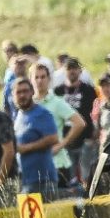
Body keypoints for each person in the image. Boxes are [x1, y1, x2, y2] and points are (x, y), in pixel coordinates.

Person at [30, 62, 85, 190]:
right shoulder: (29, 105)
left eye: (43, 77)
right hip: (35, 164)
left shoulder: (56, 102)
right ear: (31, 80)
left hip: (56, 163)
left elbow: (79, 123)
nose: (39, 80)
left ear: (49, 79)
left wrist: (62, 144)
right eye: (36, 77)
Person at [12, 77, 59, 200]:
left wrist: (27, 148)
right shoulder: (18, 116)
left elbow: (53, 138)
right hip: (25, 180)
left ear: (32, 92)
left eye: (25, 91)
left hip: (43, 180)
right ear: (13, 95)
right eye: (18, 92)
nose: (22, 95)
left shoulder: (42, 113)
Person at [54, 57, 98, 185]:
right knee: (70, 177)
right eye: (69, 68)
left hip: (86, 138)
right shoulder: (58, 91)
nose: (72, 71)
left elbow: (95, 112)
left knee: (87, 175)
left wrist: (95, 130)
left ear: (80, 71)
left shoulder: (89, 89)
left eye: (75, 68)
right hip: (65, 139)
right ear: (64, 71)